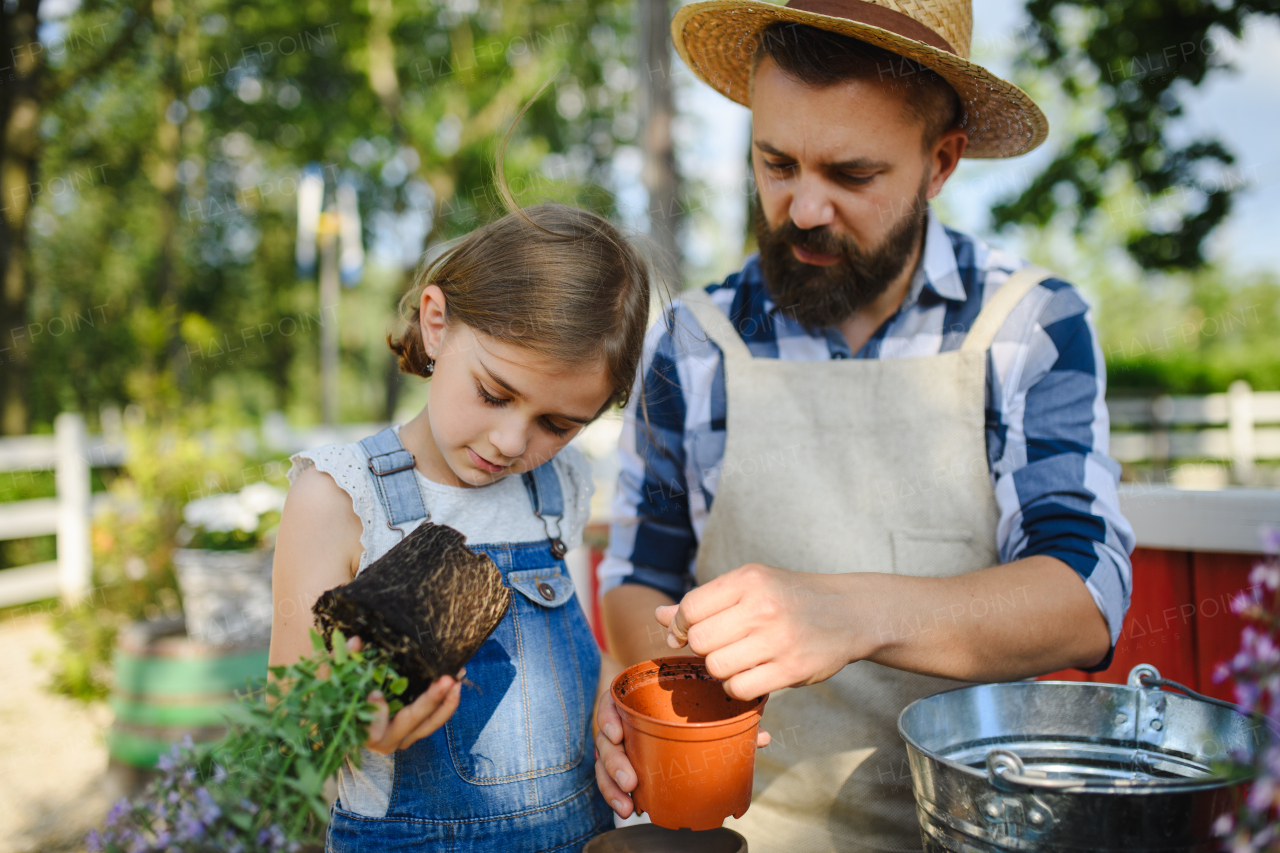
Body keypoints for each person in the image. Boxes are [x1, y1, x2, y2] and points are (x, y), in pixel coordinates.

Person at [594, 2, 1135, 851]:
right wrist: (646, 691)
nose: (804, 208)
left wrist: (849, 614)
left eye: (851, 175)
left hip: (976, 828)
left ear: (941, 162)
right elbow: (638, 572)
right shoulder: (697, 340)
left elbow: (1082, 597)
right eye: (776, 163)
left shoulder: (1030, 327)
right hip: (742, 830)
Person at [269, 199, 652, 852]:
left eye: (557, 424)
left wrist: (610, 696)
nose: (510, 440)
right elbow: (290, 718)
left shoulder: (557, 487)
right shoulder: (337, 496)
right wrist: (357, 725)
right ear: (437, 321)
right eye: (494, 393)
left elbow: (573, 652)